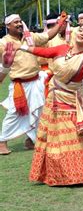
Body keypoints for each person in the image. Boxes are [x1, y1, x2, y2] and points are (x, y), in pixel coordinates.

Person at [16, 24, 83, 186]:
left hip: (69, 102)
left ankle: (75, 175)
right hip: (53, 100)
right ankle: (53, 174)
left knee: (71, 137)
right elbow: (43, 52)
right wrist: (23, 47)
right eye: (81, 29)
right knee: (52, 137)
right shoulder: (61, 48)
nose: (82, 33)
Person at [0, 13, 63, 155]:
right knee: (13, 114)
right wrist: (5, 63)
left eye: (19, 21)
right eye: (15, 22)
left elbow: (48, 36)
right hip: (20, 85)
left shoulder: (30, 37)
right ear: (7, 26)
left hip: (36, 81)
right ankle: (2, 142)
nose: (18, 24)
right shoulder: (3, 43)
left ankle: (30, 140)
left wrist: (60, 23)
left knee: (39, 112)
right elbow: (2, 65)